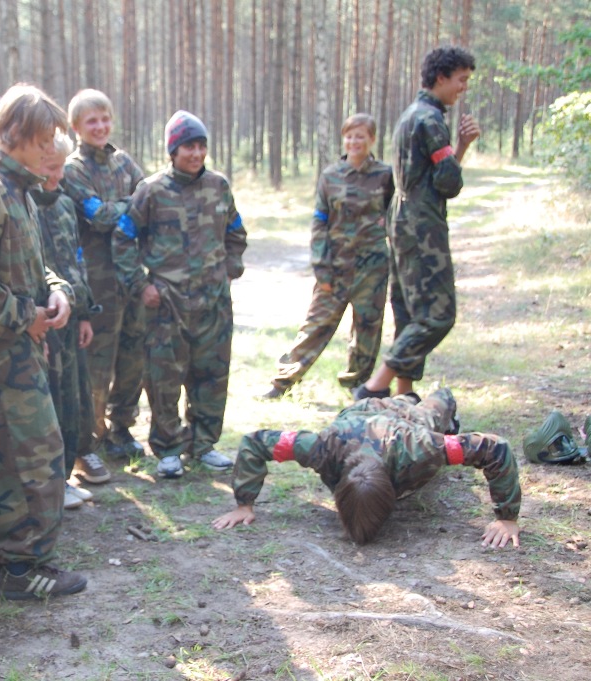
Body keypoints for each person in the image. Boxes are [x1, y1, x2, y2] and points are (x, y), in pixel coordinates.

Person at [0, 84, 87, 599]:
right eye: (44, 139)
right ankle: (29, 568)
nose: (52, 149)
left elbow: (28, 265)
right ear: (14, 136)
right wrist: (24, 316)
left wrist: (56, 291)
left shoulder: (16, 190)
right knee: (38, 458)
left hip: (14, 348)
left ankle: (4, 556)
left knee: (8, 457)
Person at [212, 388, 521, 549]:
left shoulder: (420, 450)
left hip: (406, 420)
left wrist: (506, 518)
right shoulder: (324, 448)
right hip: (359, 413)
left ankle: (416, 398)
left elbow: (494, 448)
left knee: (440, 403)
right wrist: (244, 503)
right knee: (396, 401)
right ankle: (401, 395)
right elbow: (256, 442)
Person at [114, 110, 247, 479]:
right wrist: (141, 285)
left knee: (212, 375)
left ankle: (203, 444)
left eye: (201, 145)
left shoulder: (218, 186)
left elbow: (236, 232)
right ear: (173, 151)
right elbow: (123, 239)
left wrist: (229, 269)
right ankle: (169, 447)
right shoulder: (151, 191)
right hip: (167, 305)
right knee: (164, 379)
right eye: (189, 146)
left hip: (213, 304)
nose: (196, 153)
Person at [353, 46, 481, 400]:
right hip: (422, 226)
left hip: (402, 221)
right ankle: (376, 386)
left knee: (409, 309)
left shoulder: (411, 114)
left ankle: (404, 392)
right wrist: (463, 146)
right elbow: (447, 182)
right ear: (441, 78)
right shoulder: (430, 120)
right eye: (461, 80)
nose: (463, 88)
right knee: (438, 314)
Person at [259, 113, 393, 399]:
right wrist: (321, 266)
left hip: (372, 268)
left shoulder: (385, 175)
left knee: (367, 328)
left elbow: (395, 215)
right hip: (336, 266)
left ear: (372, 139)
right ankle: (282, 382)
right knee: (316, 326)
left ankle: (358, 384)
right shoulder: (331, 176)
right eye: (350, 136)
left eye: (360, 136)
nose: (354, 142)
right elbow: (319, 222)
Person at [61, 89, 145, 471]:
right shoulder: (73, 169)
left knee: (133, 357)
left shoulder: (124, 163)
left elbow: (148, 203)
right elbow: (100, 217)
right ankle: (91, 437)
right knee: (98, 363)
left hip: (131, 276)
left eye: (105, 118)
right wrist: (129, 208)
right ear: (76, 127)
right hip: (97, 282)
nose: (100, 126)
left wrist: (125, 208)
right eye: (91, 121)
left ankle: (122, 429)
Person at [33, 131, 101, 508]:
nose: (58, 176)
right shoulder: (24, 204)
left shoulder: (62, 205)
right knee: (52, 398)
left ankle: (71, 466)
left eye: (61, 167)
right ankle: (53, 479)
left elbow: (77, 261)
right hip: (43, 319)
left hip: (72, 315)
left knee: (75, 395)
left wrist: (86, 313)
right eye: (50, 167)